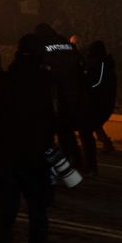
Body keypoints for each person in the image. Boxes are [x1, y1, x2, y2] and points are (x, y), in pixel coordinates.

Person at [0, 34, 57, 243]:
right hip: (36, 159)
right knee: (38, 217)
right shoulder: (45, 84)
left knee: (5, 219)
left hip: (7, 157)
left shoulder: (5, 81)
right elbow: (53, 121)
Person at [34, 23, 87, 175]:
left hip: (54, 95)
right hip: (72, 93)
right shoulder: (65, 42)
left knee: (49, 133)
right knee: (66, 131)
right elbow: (79, 63)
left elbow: (41, 70)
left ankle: (56, 169)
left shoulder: (43, 46)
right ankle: (76, 161)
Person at [79, 40, 117, 175]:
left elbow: (96, 84)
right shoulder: (101, 65)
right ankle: (91, 164)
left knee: (85, 130)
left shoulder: (102, 66)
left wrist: (83, 84)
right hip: (97, 104)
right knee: (87, 129)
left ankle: (90, 165)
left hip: (101, 104)